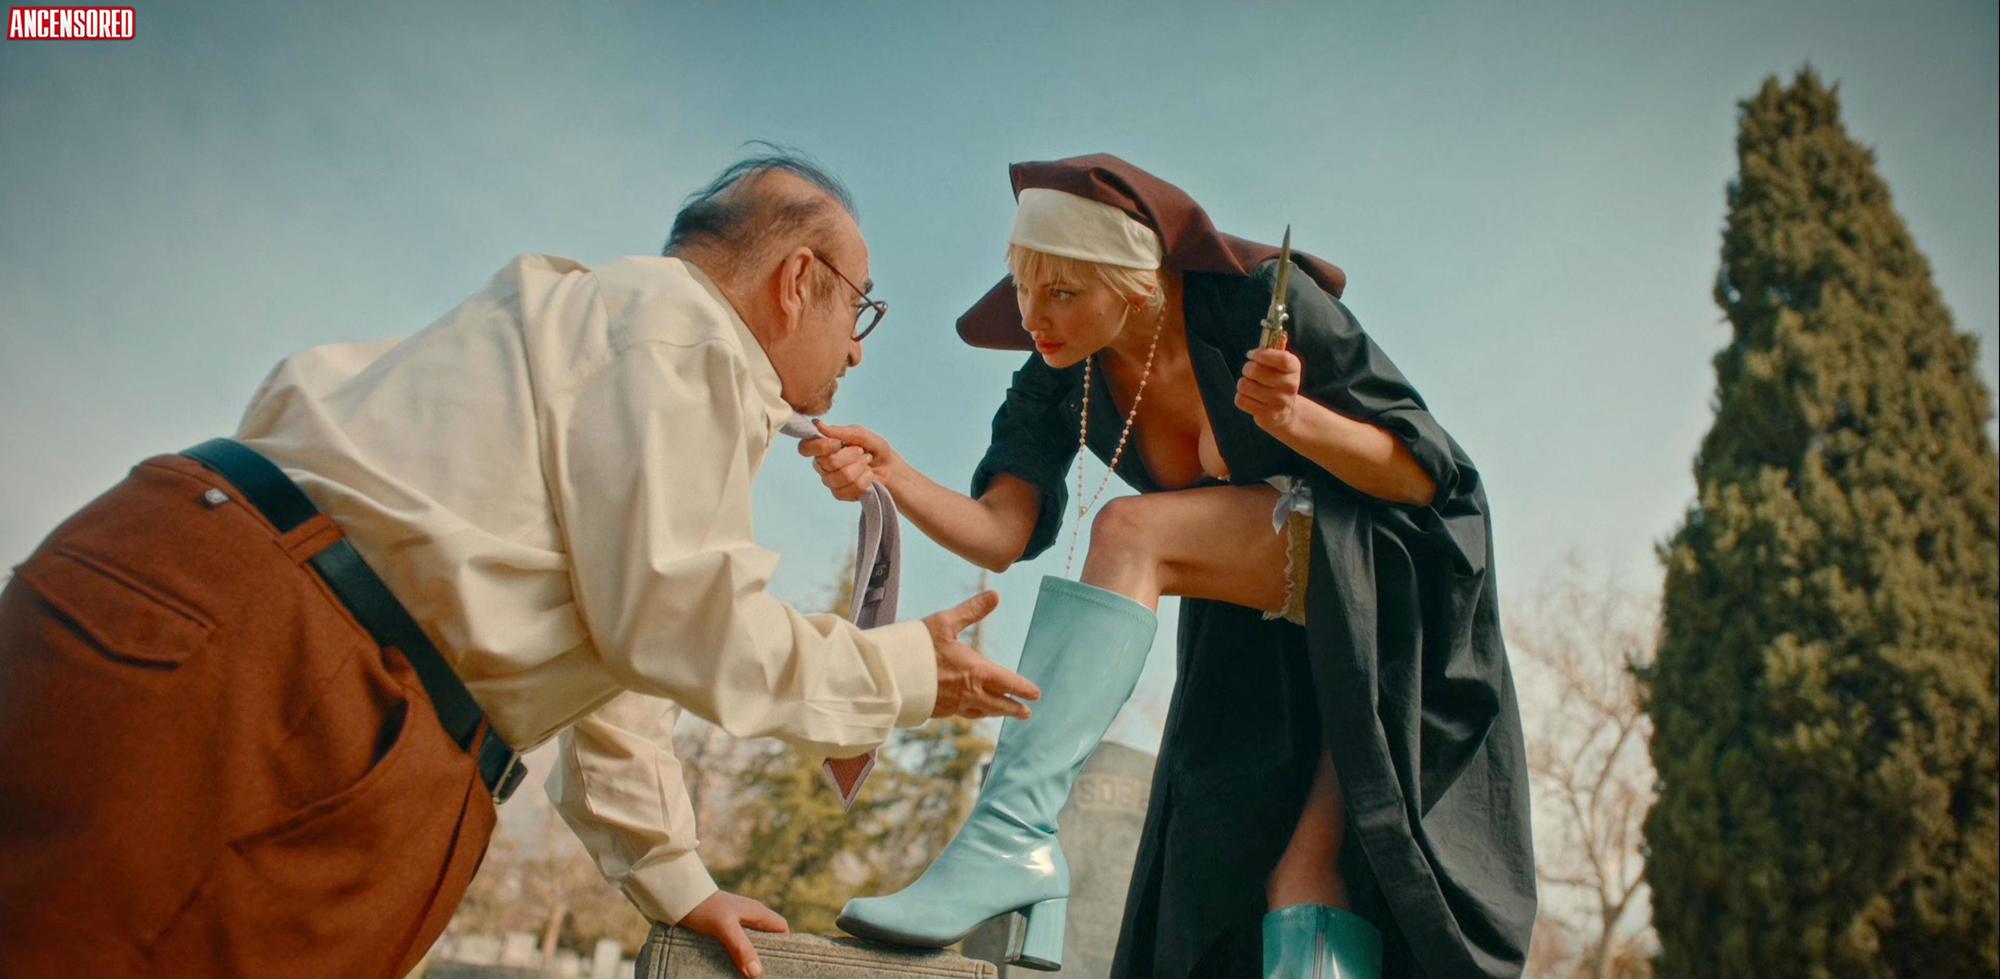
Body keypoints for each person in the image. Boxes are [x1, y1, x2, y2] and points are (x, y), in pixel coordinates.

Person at [0, 152, 1039, 979]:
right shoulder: (685, 335)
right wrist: (907, 671)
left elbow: (622, 660)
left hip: (272, 650)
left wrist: (677, 879)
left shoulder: (610, 337)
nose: (856, 350)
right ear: (797, 281)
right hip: (274, 677)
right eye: (860, 310)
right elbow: (681, 621)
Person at [804, 155, 1535, 978]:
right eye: (1023, 289)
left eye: (1063, 292)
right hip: (1257, 619)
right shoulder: (1057, 372)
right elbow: (1002, 534)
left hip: (1391, 577)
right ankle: (1012, 847)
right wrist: (895, 475)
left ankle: (1009, 839)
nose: (1035, 317)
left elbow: (1425, 478)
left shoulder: (1260, 299)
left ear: (1138, 280)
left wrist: (1294, 418)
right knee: (1292, 875)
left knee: (1129, 530)